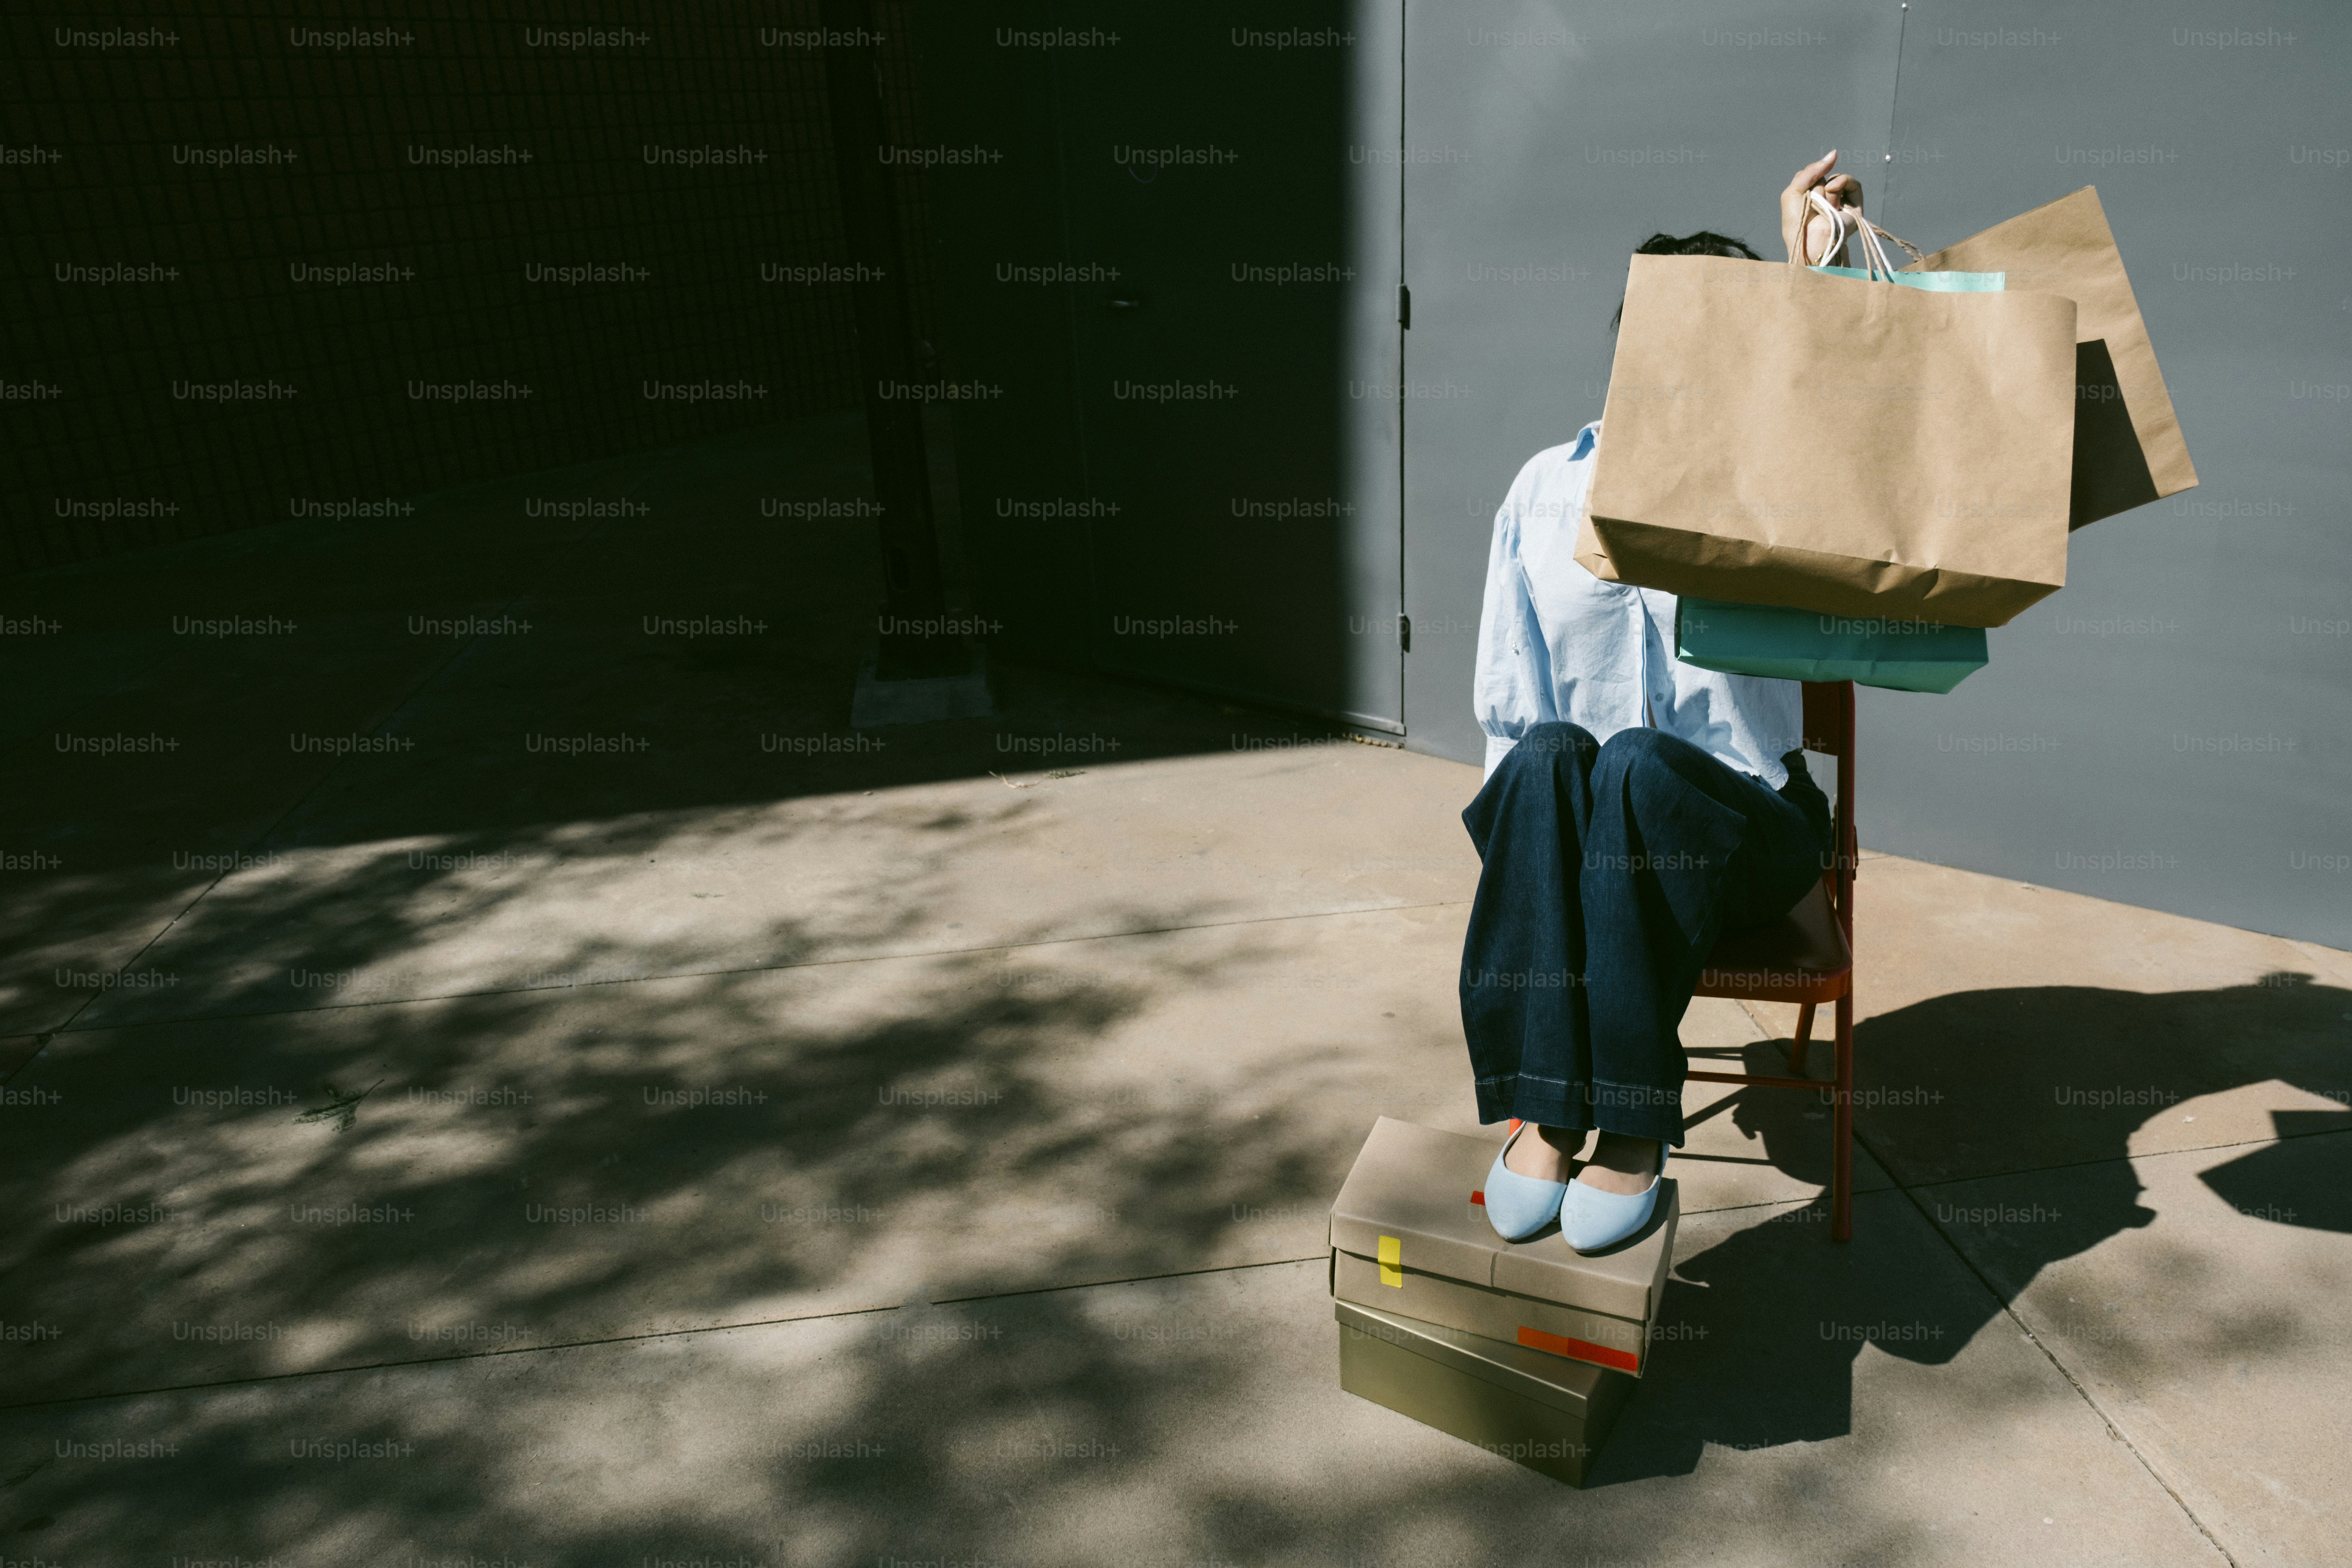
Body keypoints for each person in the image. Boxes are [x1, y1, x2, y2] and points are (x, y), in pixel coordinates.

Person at [1462, 152, 1860, 1253]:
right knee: (1546, 755)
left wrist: (1811, 276)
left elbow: (1866, 445)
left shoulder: (1770, 486)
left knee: (1639, 758)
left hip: (1743, 837)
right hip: (1593, 851)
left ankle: (1631, 1126)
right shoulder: (1544, 490)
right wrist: (1536, 870)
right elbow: (1509, 716)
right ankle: (1550, 1104)